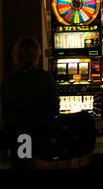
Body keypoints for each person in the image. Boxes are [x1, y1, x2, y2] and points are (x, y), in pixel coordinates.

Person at [0, 36, 60, 168]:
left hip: (20, 135)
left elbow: (6, 110)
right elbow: (55, 108)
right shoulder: (44, 77)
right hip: (43, 135)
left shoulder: (10, 79)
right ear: (36, 55)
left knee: (24, 165)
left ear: (16, 55)